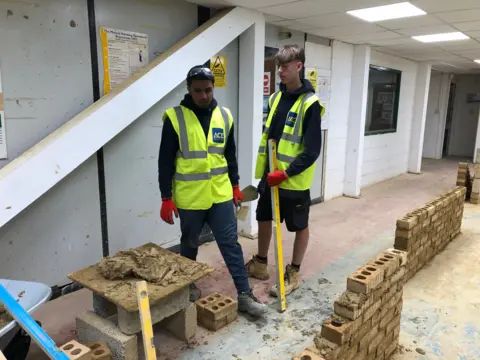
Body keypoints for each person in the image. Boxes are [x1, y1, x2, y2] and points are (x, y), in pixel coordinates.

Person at [158, 65, 267, 317]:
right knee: (189, 244)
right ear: (189, 89)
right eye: (197, 91)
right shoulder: (175, 118)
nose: (203, 95)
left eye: (207, 90)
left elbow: (230, 155)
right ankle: (188, 287)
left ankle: (244, 294)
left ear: (213, 88)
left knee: (230, 244)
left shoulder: (225, 116)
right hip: (190, 196)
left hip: (220, 194)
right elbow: (165, 161)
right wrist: (166, 197)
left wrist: (236, 185)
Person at [246, 45, 324, 297]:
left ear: (299, 66)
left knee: (299, 226)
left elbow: (312, 150)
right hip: (271, 177)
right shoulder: (276, 98)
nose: (280, 71)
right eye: (278, 66)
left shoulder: (310, 104)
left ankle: (294, 272)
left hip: (293, 183)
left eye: (285, 66)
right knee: (264, 217)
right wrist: (269, 173)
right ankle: (260, 263)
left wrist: (286, 173)